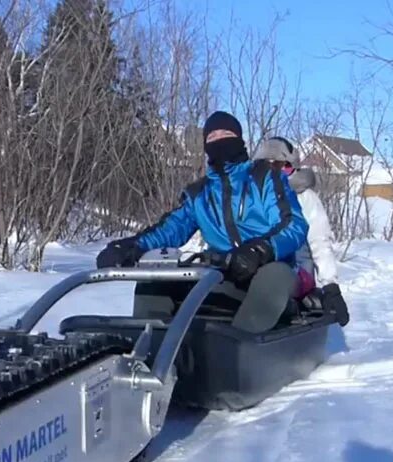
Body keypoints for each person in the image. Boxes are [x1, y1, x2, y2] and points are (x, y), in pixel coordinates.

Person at [95, 111, 310, 333]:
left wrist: (260, 250)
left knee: (271, 278)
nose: (219, 141)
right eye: (212, 137)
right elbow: (172, 228)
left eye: (225, 133)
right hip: (224, 273)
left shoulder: (264, 177)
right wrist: (132, 246)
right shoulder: (199, 193)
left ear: (238, 138)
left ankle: (239, 353)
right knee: (155, 279)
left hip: (273, 268)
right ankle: (150, 347)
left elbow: (293, 224)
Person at [252, 136, 350, 326]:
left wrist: (330, 285)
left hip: (297, 270)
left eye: (282, 166)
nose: (275, 174)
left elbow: (319, 241)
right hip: (258, 265)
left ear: (292, 169)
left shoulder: (305, 198)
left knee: (271, 280)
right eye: (268, 167)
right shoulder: (251, 196)